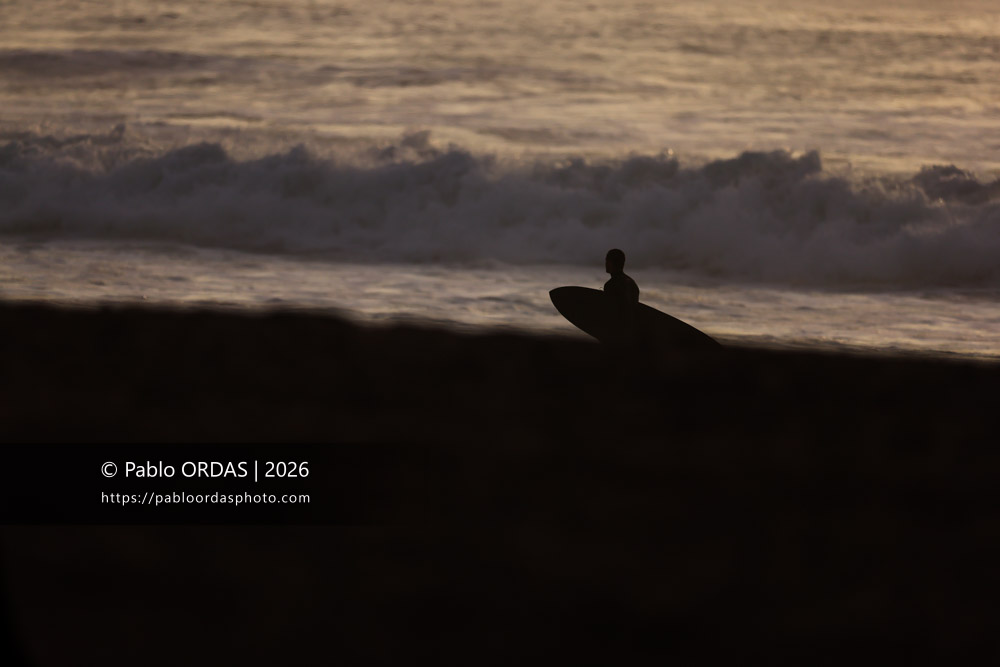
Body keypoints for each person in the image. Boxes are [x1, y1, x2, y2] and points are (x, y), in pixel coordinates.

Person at [603, 248, 640, 346]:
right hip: (632, 331)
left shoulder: (611, 285)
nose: (605, 263)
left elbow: (611, 312)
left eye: (607, 260)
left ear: (611, 263)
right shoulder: (631, 283)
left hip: (617, 333)